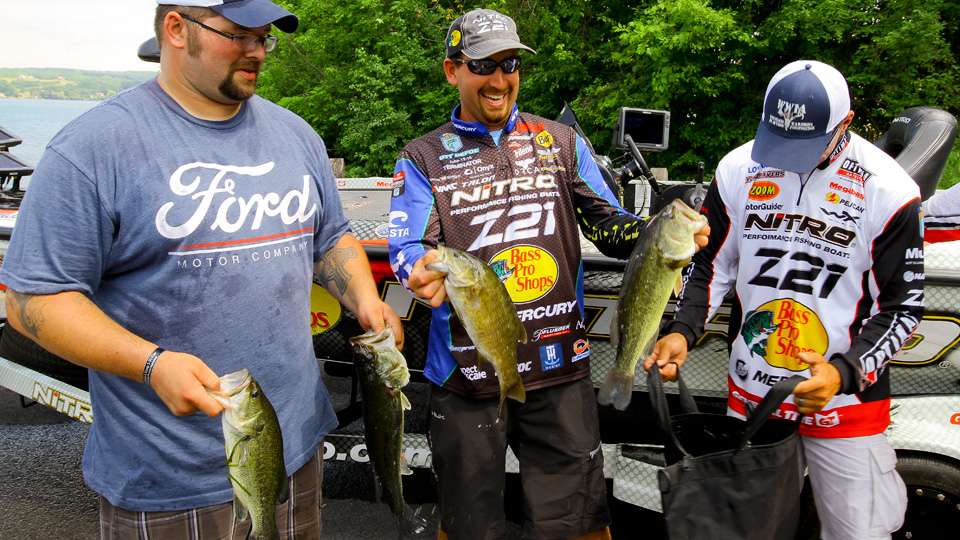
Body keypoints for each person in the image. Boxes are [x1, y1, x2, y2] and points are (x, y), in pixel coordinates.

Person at [0, 1, 402, 538]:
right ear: (175, 29)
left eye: (263, 37)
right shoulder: (94, 149)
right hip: (170, 474)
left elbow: (330, 239)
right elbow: (33, 302)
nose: (257, 50)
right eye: (238, 34)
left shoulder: (296, 135)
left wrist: (364, 299)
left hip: (296, 449)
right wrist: (152, 364)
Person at [388, 9, 707, 540]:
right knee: (468, 526)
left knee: (575, 523)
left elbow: (609, 225)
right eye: (482, 64)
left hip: (559, 366)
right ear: (453, 71)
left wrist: (661, 235)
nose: (498, 78)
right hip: (467, 375)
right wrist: (417, 268)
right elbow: (409, 245)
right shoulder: (421, 156)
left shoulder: (559, 142)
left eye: (509, 63)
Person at [645, 60, 921, 540]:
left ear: (847, 123)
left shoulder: (891, 189)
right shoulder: (737, 167)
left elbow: (903, 306)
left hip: (843, 401)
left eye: (806, 145)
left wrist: (844, 371)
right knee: (744, 528)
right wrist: (682, 329)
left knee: (859, 533)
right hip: (755, 393)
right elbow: (714, 264)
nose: (788, 158)